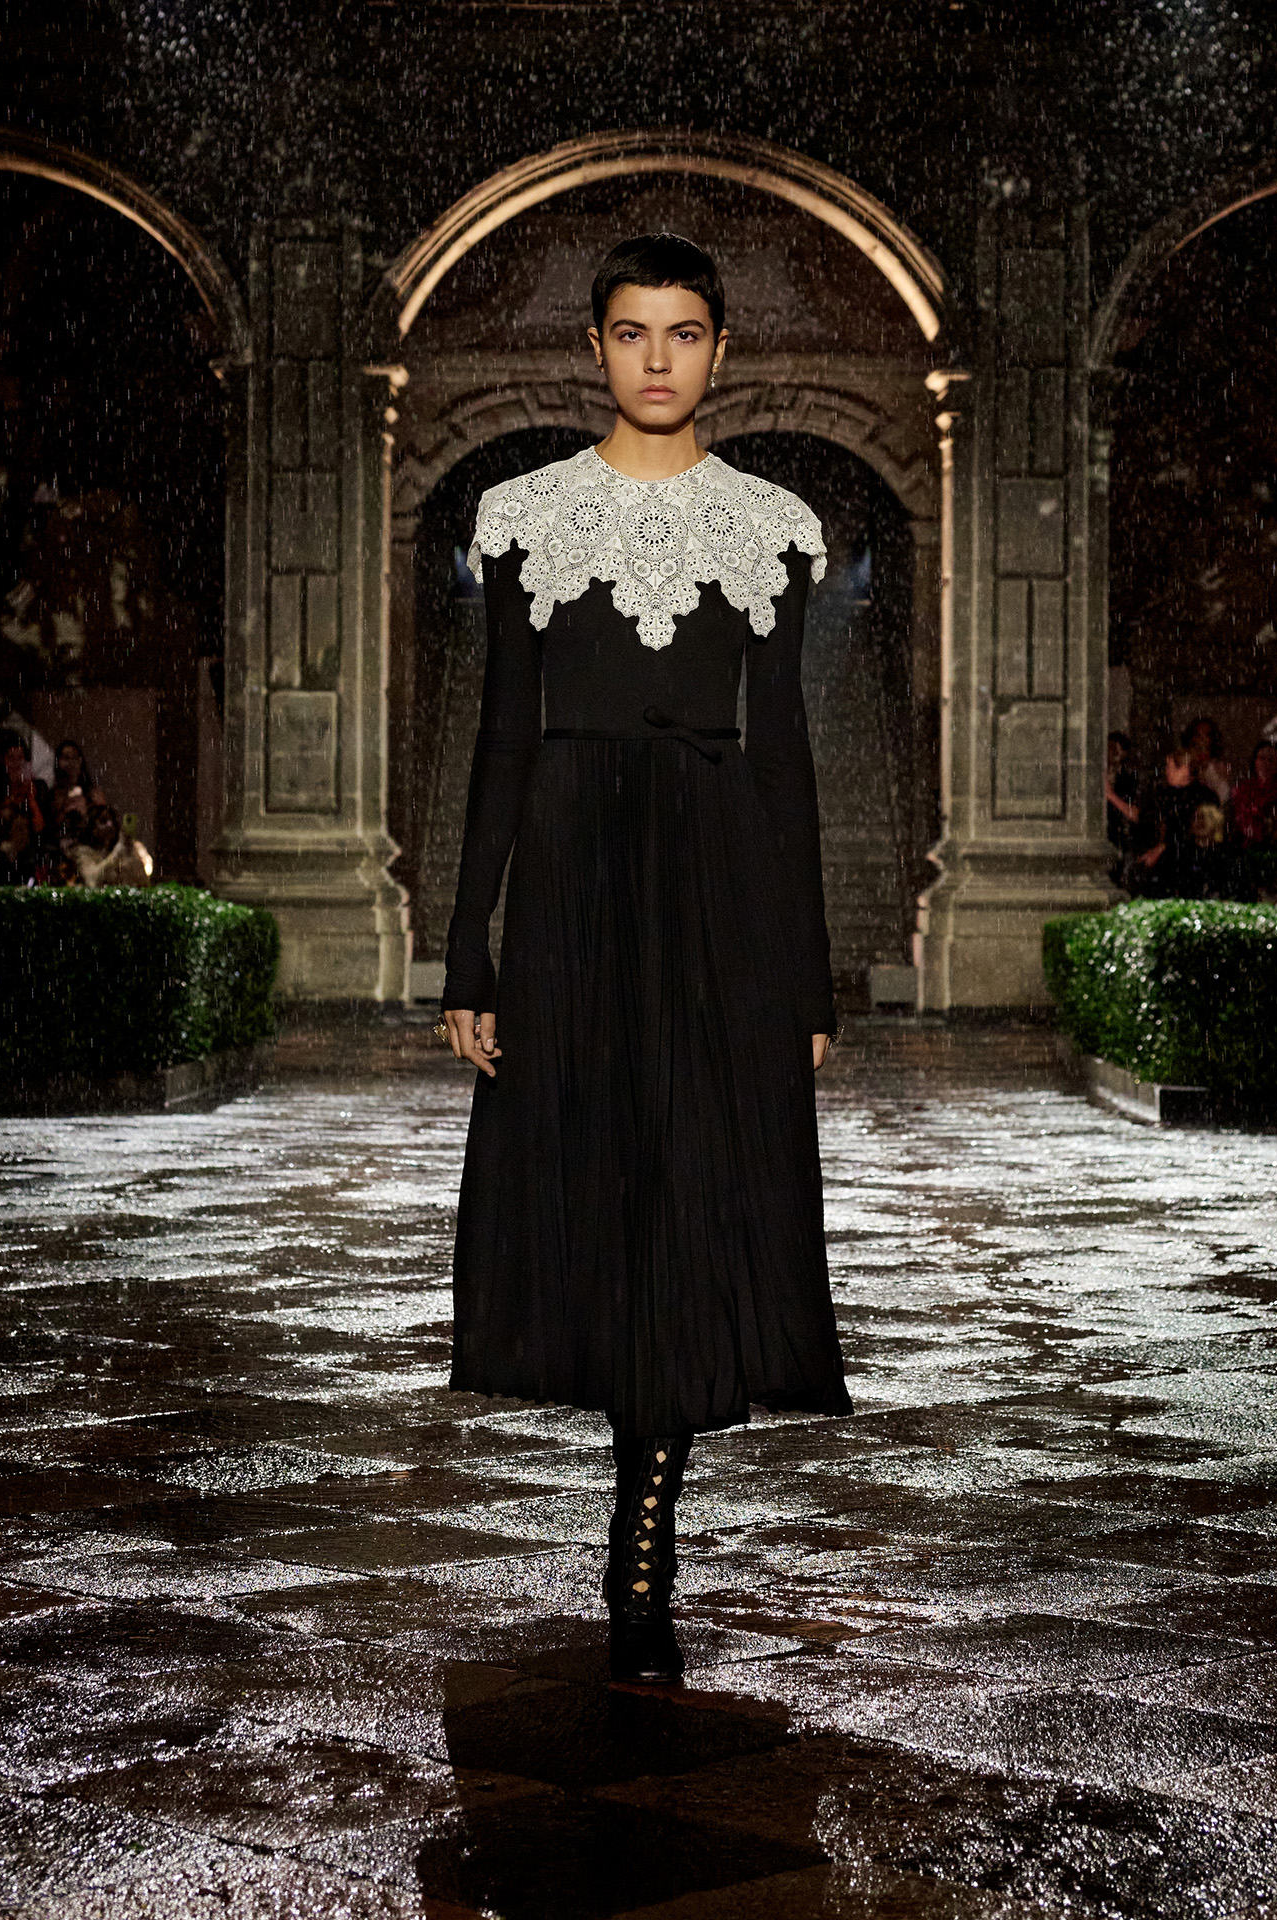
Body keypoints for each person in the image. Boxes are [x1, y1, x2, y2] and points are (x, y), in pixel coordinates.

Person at [439, 234, 850, 1687]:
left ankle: (644, 1528)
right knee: (596, 1176)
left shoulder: (772, 527)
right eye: (632, 332)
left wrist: (807, 974)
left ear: (720, 350)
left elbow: (784, 758)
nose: (658, 358)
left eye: (683, 333)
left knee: (689, 1178)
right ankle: (632, 1468)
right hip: (570, 876)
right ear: (595, 347)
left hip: (716, 880)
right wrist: (467, 948)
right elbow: (502, 736)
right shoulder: (523, 518)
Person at [1131, 747, 1216, 897]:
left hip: (1195, 863)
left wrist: (1164, 847)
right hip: (1168, 867)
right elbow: (1143, 816)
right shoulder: (1164, 795)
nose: (1167, 771)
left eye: (1170, 767)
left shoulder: (1204, 797)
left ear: (1185, 769)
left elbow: (1198, 833)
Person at [1228, 740, 1277, 849]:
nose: (1266, 763)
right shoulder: (1241, 789)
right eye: (1262, 758)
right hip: (1246, 848)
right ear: (1255, 762)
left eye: (1271, 759)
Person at [73, 804, 152, 888]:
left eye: (112, 821)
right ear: (92, 828)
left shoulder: (126, 848)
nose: (110, 824)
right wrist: (117, 852)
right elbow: (93, 881)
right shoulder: (83, 852)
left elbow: (143, 881)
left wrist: (130, 854)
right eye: (103, 821)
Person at [1104, 731, 1141, 885]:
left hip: (1121, 839)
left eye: (1117, 750)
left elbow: (1136, 814)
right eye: (1110, 749)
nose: (1113, 755)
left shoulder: (1129, 779)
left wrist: (1111, 796)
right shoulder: (1092, 775)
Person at [1182, 716, 1233, 806]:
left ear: (1212, 740)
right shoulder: (1181, 766)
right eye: (1198, 735)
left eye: (1207, 735)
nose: (1202, 739)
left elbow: (1224, 798)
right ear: (1191, 738)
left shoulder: (1220, 768)